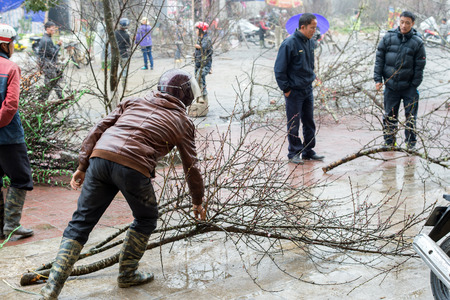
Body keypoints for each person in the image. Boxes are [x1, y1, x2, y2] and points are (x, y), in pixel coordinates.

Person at [39, 68, 206, 299]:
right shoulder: (183, 122)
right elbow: (192, 167)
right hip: (133, 168)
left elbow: (98, 129)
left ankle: (51, 288)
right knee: (146, 218)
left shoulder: (134, 101)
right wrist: (197, 201)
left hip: (100, 159)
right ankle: (127, 274)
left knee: (80, 222)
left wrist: (82, 165)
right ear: (186, 96)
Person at [274, 13, 325, 165]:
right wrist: (286, 89)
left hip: (307, 89)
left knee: (309, 121)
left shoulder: (310, 42)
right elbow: (279, 70)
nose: (314, 31)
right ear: (303, 27)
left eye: (315, 28)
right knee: (294, 123)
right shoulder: (289, 44)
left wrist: (312, 76)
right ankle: (294, 152)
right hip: (294, 91)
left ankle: (308, 151)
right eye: (312, 28)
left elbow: (310, 64)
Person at [0, 24, 34, 239]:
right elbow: (11, 105)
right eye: (12, 42)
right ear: (5, 43)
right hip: (9, 136)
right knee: (21, 178)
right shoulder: (10, 67)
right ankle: (11, 225)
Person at [374, 11, 426, 149]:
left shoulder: (417, 42)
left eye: (407, 23)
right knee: (389, 116)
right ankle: (389, 142)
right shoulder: (388, 37)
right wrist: (378, 79)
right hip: (391, 86)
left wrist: (414, 84)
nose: (404, 25)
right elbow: (379, 59)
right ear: (399, 21)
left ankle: (411, 143)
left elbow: (420, 66)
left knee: (411, 118)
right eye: (402, 22)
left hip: (409, 88)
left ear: (412, 24)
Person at [38, 21, 64, 100]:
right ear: (47, 29)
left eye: (54, 29)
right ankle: (42, 99)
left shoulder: (47, 39)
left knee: (53, 81)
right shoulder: (46, 40)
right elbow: (52, 53)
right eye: (52, 29)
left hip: (48, 64)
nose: (54, 31)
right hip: (48, 64)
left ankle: (61, 98)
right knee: (51, 82)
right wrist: (58, 45)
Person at [194, 21, 213, 97]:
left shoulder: (207, 39)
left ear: (201, 30)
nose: (196, 31)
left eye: (197, 29)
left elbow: (205, 49)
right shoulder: (199, 39)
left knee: (199, 77)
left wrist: (210, 67)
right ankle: (202, 94)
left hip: (205, 64)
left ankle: (201, 94)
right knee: (199, 78)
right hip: (198, 63)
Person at [114, 18, 131, 88]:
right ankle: (124, 87)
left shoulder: (115, 33)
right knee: (124, 70)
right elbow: (129, 45)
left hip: (115, 54)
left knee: (115, 70)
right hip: (124, 54)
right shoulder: (127, 35)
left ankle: (114, 86)